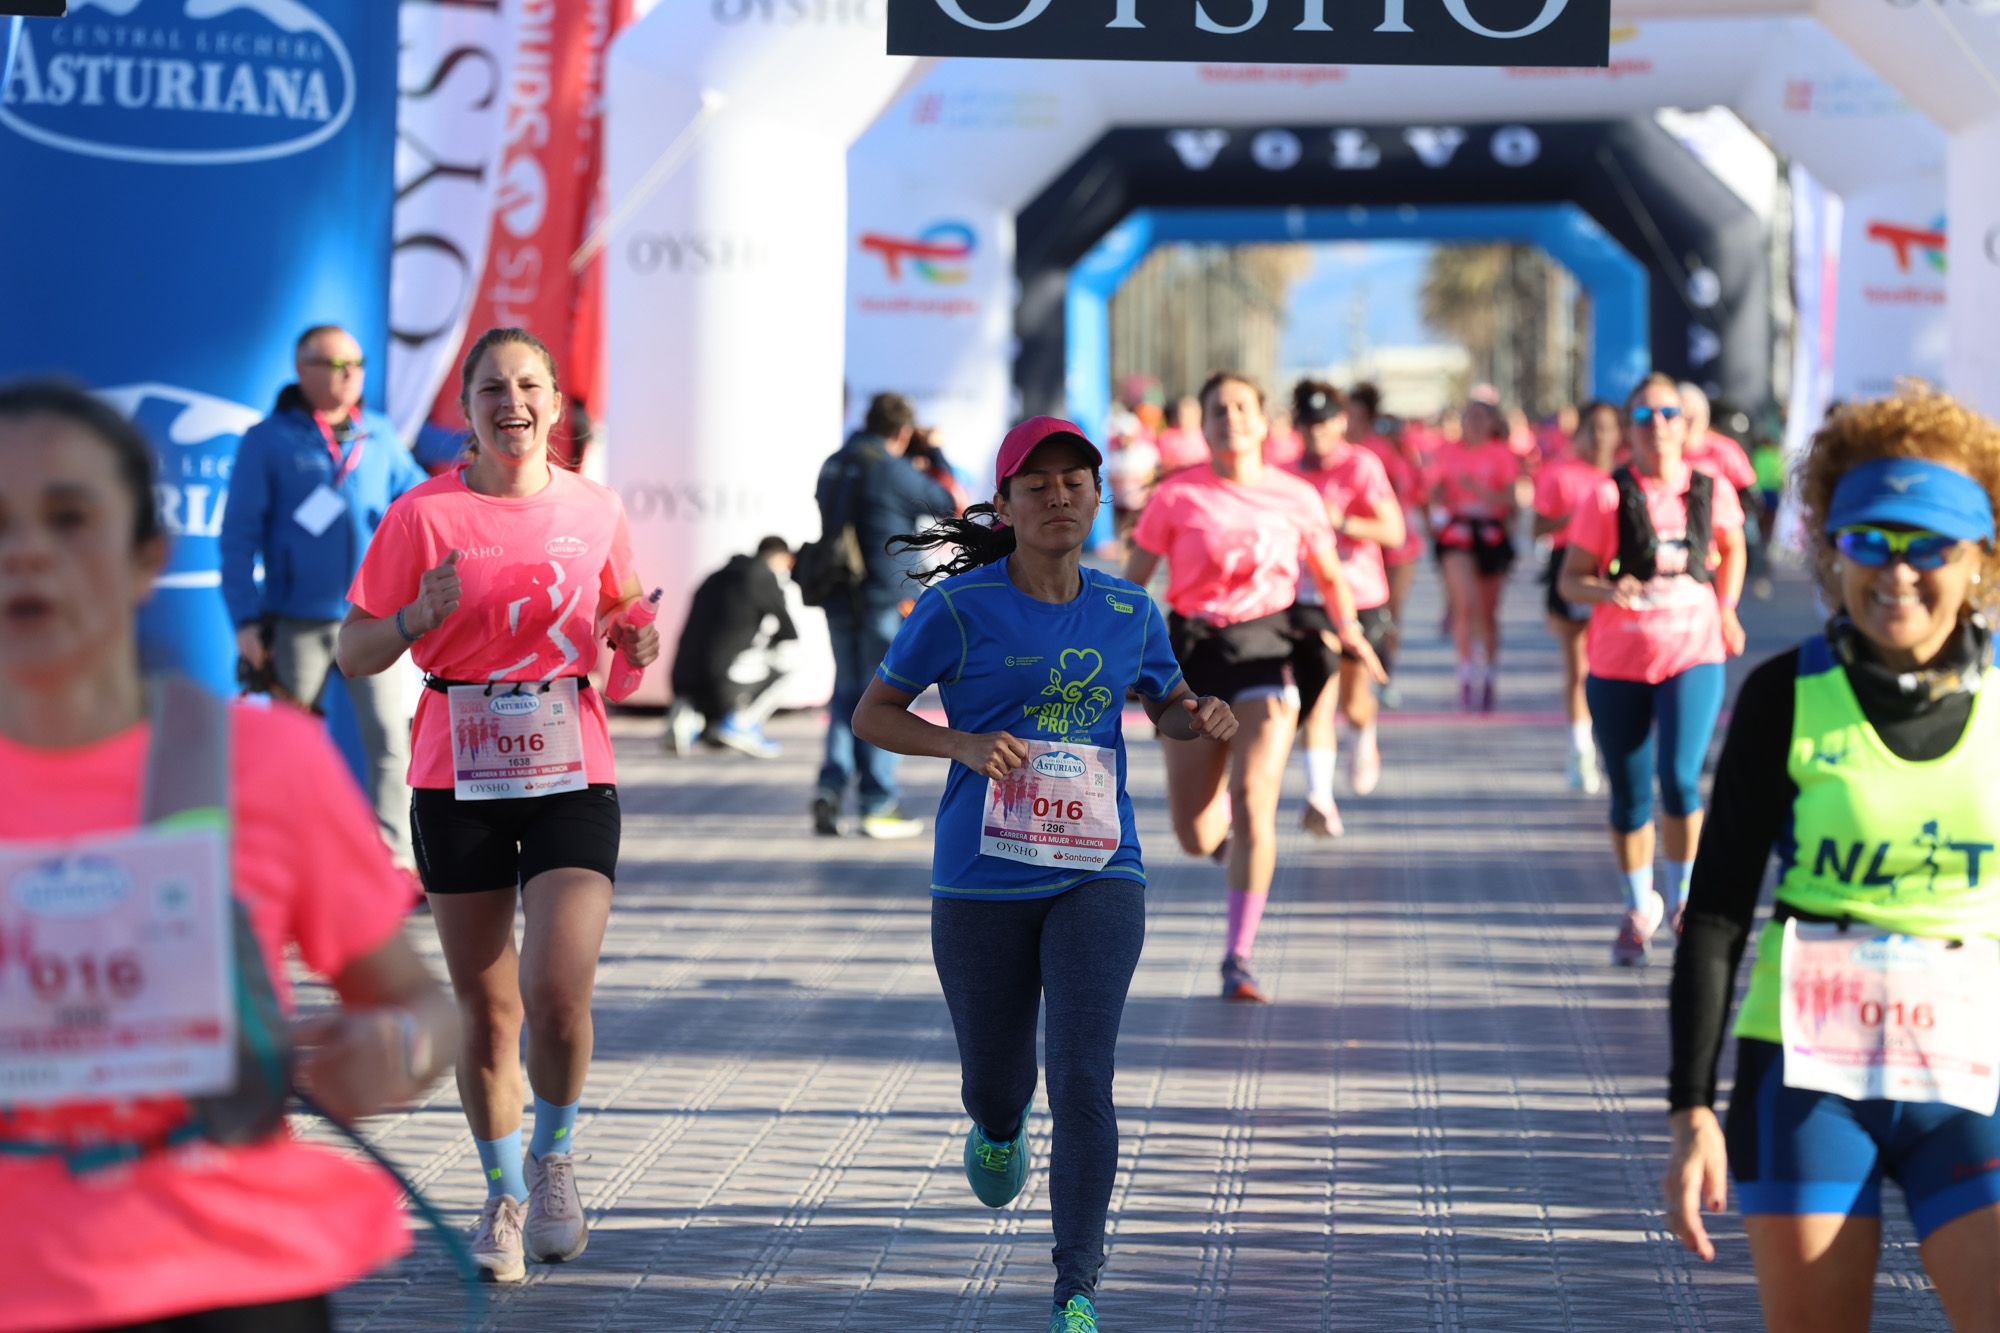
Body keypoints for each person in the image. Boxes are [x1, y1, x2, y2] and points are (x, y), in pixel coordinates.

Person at [0, 379, 457, 1333]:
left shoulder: (260, 763)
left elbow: (420, 1007)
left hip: (220, 1282)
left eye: (71, 517)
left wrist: (395, 1050)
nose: (28, 551)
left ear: (145, 560)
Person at [853, 416, 1237, 1333]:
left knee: (1082, 1072)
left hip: (1099, 868)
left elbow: (1167, 703)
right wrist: (962, 743)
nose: (1059, 496)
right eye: (1038, 485)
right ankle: (994, 1124)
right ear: (1007, 506)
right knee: (999, 1079)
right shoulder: (957, 610)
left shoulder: (1128, 610)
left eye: (1076, 482)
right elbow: (874, 713)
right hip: (981, 878)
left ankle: (1076, 1283)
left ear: (1099, 499)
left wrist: (1200, 715)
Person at [1664, 387, 2000, 1331]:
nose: (1897, 572)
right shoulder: (1786, 695)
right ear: (1830, 552)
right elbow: (1720, 909)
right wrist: (1691, 1108)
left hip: (1974, 1075)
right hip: (1813, 1078)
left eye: (1929, 545)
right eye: (1868, 543)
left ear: (1978, 560)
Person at [336, 327, 659, 1283]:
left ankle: (554, 1162)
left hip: (570, 764)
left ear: (557, 404)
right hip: (457, 774)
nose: (510, 402)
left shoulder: (597, 508)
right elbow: (356, 653)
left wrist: (634, 651)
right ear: (467, 409)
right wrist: (412, 619)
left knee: (559, 997)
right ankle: (503, 1193)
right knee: (489, 1008)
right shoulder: (421, 515)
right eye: (490, 387)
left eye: (529, 386)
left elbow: (625, 630)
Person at [1125, 372, 1384, 1004]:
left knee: (1254, 792)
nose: (1232, 417)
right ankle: (1231, 851)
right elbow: (1134, 585)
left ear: (1264, 423)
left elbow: (1329, 573)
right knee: (1194, 834)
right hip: (1191, 655)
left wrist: (1350, 633)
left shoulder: (1297, 496)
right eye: (1219, 408)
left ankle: (1238, 956)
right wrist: (1112, 647)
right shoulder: (1177, 496)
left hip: (1268, 651)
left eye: (1244, 407)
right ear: (1204, 423)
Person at [219, 324, 428, 875]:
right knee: (292, 751)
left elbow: (424, 505)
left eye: (356, 364)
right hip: (296, 622)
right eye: (335, 365)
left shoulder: (378, 436)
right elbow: (238, 538)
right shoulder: (269, 440)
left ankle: (396, 867)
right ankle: (291, 869)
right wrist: (245, 619)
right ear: (302, 369)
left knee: (389, 742)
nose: (349, 375)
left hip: (371, 621)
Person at [1558, 374, 1746, 965]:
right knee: (1630, 795)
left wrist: (1728, 608)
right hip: (1619, 663)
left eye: (1669, 413)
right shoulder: (1607, 496)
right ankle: (1640, 907)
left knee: (1682, 780)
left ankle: (1685, 899)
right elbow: (1571, 579)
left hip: (1693, 654)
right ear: (1629, 429)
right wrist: (1609, 588)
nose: (1658, 426)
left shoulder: (1710, 490)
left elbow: (1733, 546)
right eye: (1645, 416)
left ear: (1687, 426)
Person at [812, 392, 956, 840]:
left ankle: (831, 788)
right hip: (884, 597)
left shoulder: (834, 463)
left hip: (838, 593)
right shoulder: (893, 470)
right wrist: (932, 454)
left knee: (847, 694)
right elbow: (946, 501)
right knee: (885, 700)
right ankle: (878, 803)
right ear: (904, 431)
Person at [1286, 380, 1404, 835]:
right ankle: (1320, 798)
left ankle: (1363, 733)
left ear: (1341, 422)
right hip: (1309, 599)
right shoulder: (1284, 473)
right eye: (1308, 423)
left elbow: (1393, 533)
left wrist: (1342, 522)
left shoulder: (1362, 466)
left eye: (1325, 422)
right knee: (1318, 695)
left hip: (1361, 596)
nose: (1317, 432)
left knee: (1355, 702)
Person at [1533, 400, 1620, 794]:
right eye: (1592, 428)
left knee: (1613, 664)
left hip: (1617, 573)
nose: (1600, 436)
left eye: (1607, 428)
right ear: (1579, 432)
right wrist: (1577, 521)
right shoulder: (1561, 474)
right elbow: (1538, 526)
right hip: (1570, 569)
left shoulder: (1627, 475)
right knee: (1579, 665)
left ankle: (1614, 742)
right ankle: (1581, 749)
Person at [665, 536, 799, 759]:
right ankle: (740, 724)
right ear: (780, 557)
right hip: (724, 676)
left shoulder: (714, 576)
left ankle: (689, 717)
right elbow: (789, 632)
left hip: (682, 675)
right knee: (791, 659)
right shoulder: (761, 576)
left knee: (715, 656)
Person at [1427, 397, 1521, 711]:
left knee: (1487, 613)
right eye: (1468, 417)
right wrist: (1437, 498)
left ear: (1492, 423)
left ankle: (1489, 673)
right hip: (1457, 533)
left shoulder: (1502, 454)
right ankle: (1466, 673)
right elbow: (1432, 492)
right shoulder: (1447, 452)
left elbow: (1510, 500)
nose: (1473, 424)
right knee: (1465, 604)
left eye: (1481, 418)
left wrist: (1480, 492)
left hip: (1491, 534)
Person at [1350, 387, 1424, 701]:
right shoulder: (1337, 450)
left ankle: (1385, 675)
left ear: (1366, 415)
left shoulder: (1382, 448)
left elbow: (1407, 485)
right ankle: (1358, 679)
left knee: (1389, 615)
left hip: (1395, 545)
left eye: (1351, 413)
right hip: (1356, 548)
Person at [1154, 394, 1208, 475]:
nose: (1185, 418)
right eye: (1182, 414)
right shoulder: (1166, 437)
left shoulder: (1207, 436)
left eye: (1190, 414)